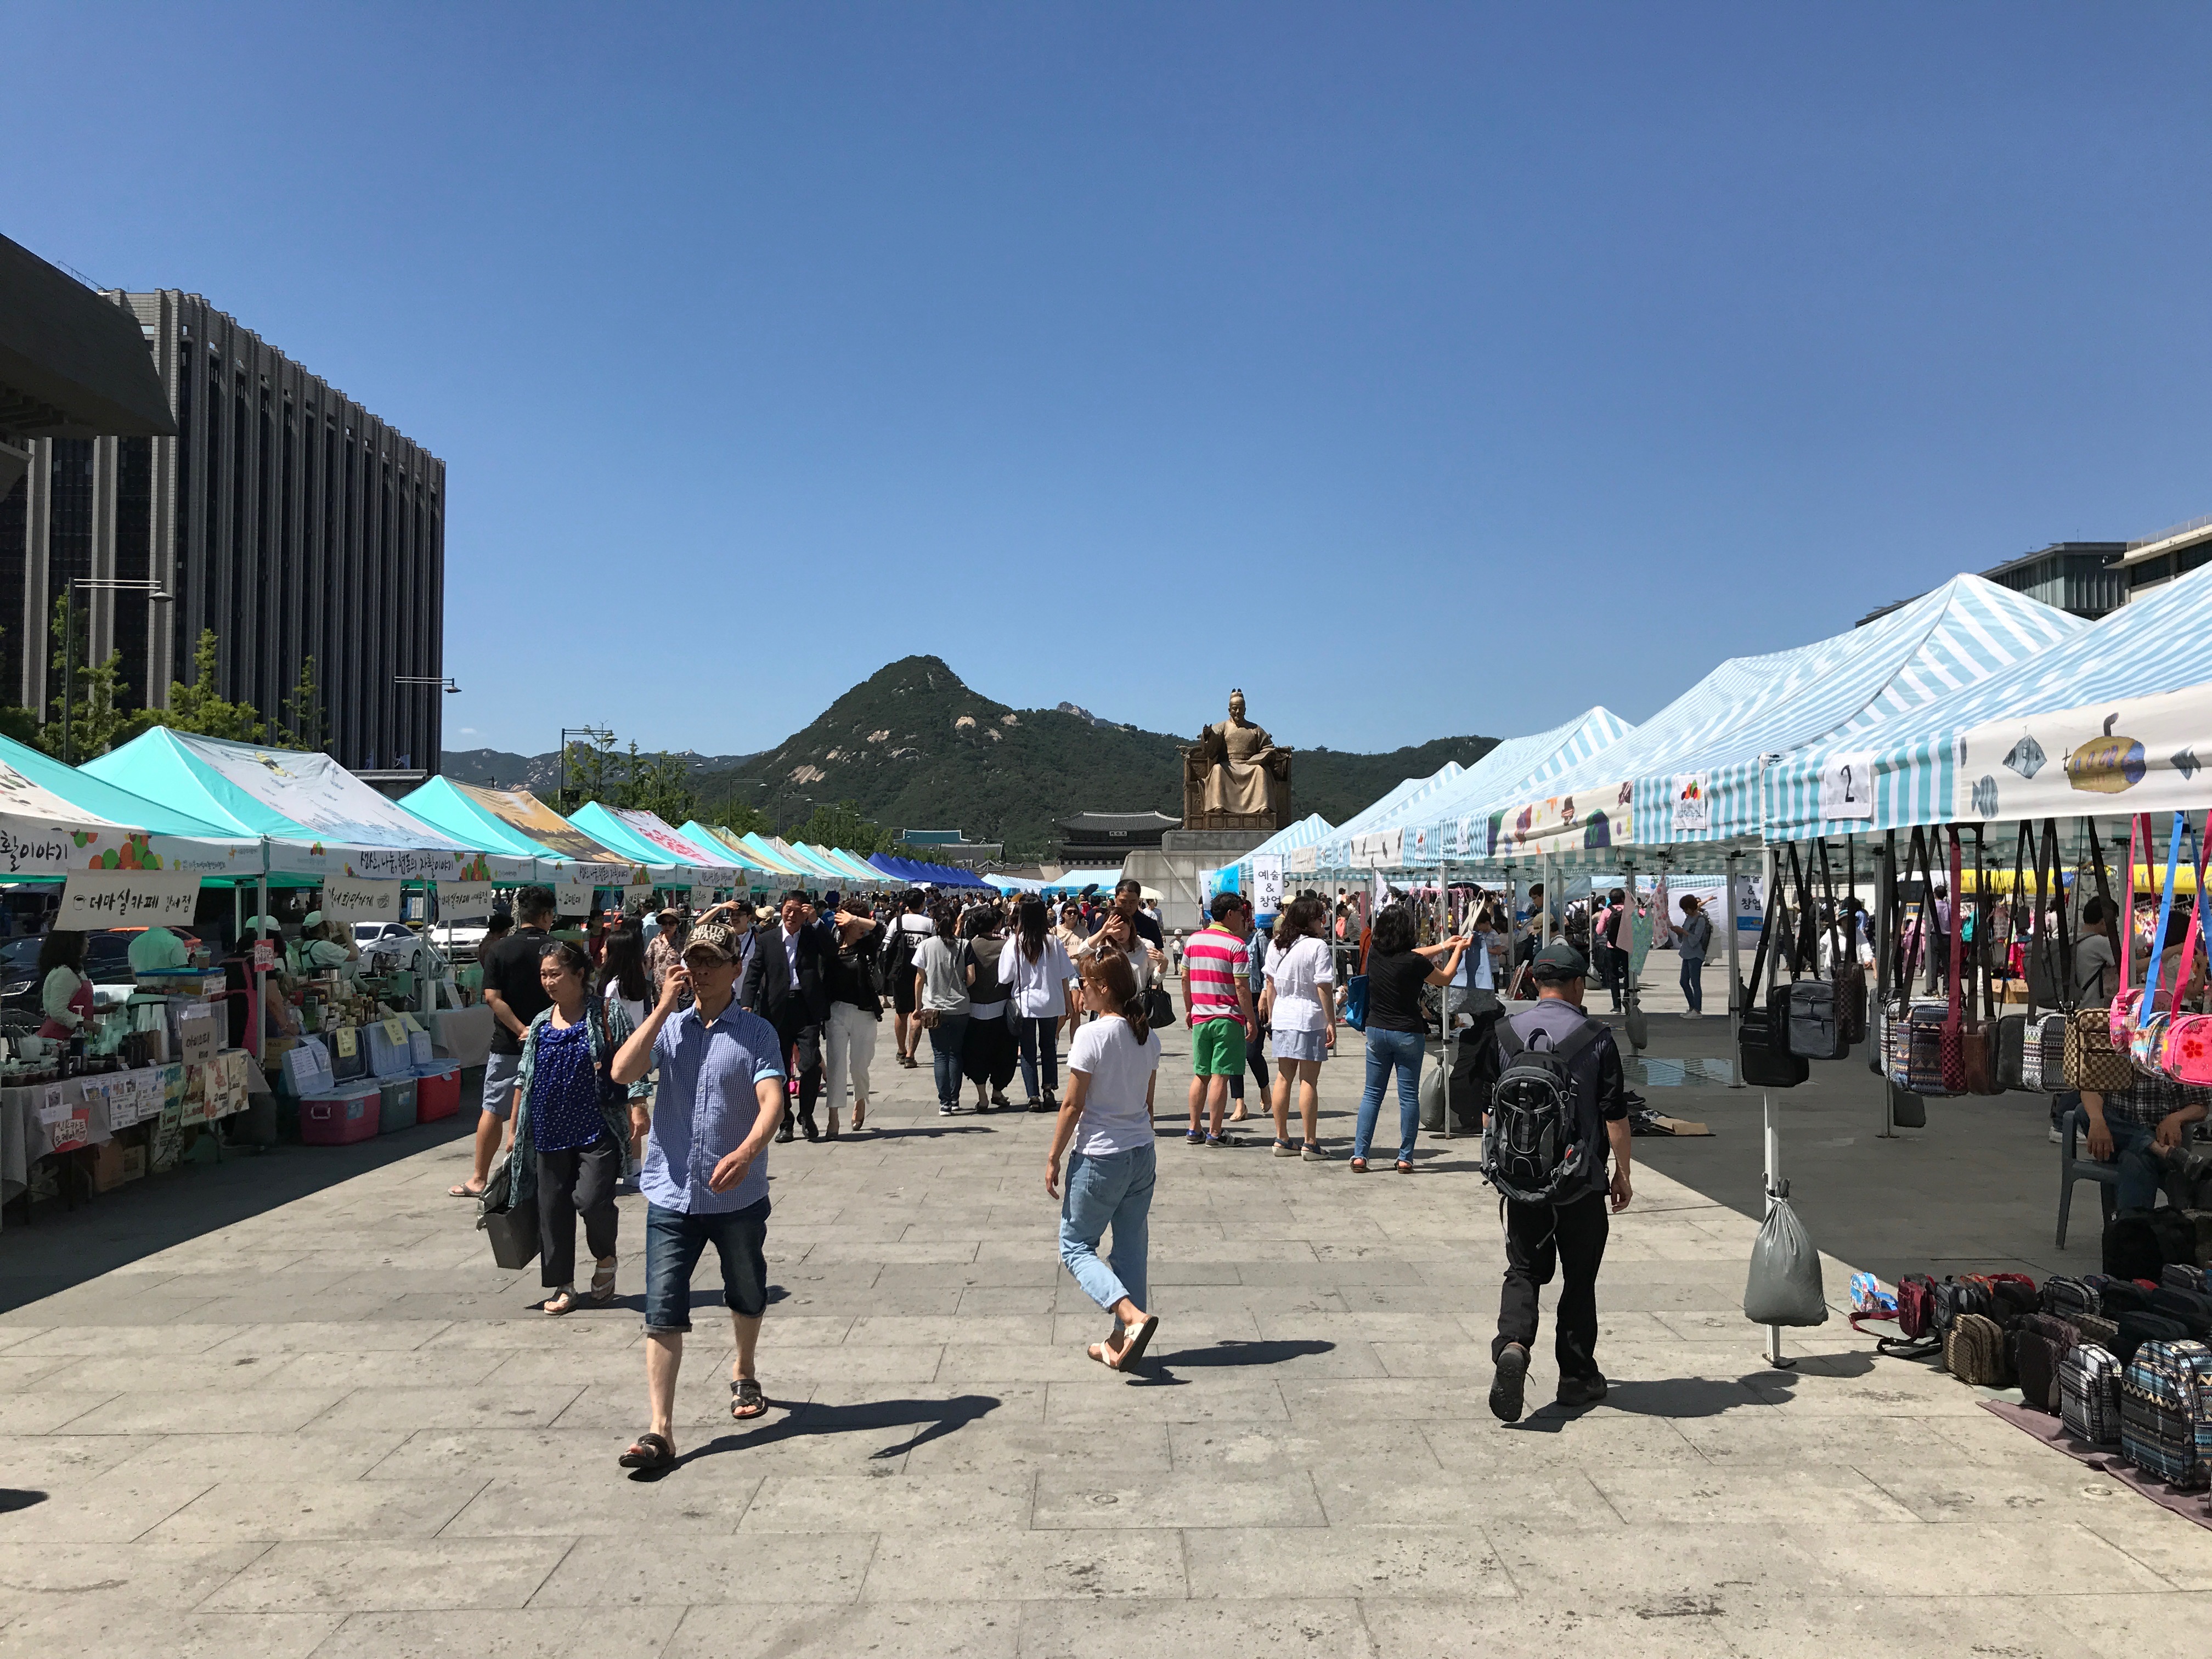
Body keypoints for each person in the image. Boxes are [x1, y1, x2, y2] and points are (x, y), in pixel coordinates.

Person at [611, 921, 787, 1471]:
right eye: (696, 960)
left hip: (737, 1195)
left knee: (747, 1289)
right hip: (671, 1192)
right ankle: (660, 1430)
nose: (704, 970)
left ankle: (744, 1369)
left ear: (736, 968)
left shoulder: (757, 1032)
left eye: (714, 961)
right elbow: (622, 1070)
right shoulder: (672, 1029)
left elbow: (773, 1099)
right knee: (663, 1307)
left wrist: (750, 1148)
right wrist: (663, 1006)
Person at [1485, 940, 1633, 1422]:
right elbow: (1614, 1115)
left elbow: (1491, 1111)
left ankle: (1512, 1343)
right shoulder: (1597, 1037)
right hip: (1580, 1181)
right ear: (1575, 985)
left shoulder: (1505, 1033)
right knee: (1579, 1279)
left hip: (1522, 1180)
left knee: (1524, 1270)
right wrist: (1622, 1173)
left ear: (1533, 982)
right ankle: (1576, 1377)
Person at [509, 939, 647, 1315]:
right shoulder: (539, 1023)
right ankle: (563, 1285)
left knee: (591, 1200)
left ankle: (605, 1258)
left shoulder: (606, 1012)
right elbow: (525, 1077)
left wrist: (638, 1104)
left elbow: (629, 1055)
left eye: (555, 974)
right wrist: (514, 1129)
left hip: (596, 1127)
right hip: (548, 1129)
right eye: (543, 975)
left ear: (579, 974)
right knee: (552, 1209)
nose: (548, 982)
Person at [1046, 949, 1163, 1373]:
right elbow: (1147, 1105)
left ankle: (1130, 1317)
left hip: (1100, 1155)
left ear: (1104, 989)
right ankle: (1120, 1340)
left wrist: (1054, 1156)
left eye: (1086, 985)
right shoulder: (1148, 1037)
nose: (1081, 991)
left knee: (1075, 1246)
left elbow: (1072, 1105)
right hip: (1141, 1152)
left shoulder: (1091, 1037)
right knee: (1132, 1248)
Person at [452, 886, 556, 1199]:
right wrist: (537, 1028)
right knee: (550, 1107)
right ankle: (550, 1177)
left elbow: (492, 998)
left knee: (492, 1109)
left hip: (508, 1042)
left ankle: (479, 1178)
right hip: (552, 1039)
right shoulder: (558, 949)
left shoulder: (499, 949)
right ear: (547, 915)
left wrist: (520, 1028)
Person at [1350, 905, 1468, 1174]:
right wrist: (1457, 951)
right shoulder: (1414, 963)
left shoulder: (1376, 953)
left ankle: (1360, 1155)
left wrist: (1442, 946)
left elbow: (1416, 955)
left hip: (1377, 1031)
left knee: (1371, 1095)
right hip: (1407, 1033)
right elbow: (1445, 978)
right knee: (1408, 1097)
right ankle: (1405, 1157)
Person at [740, 890, 834, 1143]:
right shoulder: (768, 939)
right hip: (777, 1009)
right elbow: (754, 973)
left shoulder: (812, 936)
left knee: (811, 1063)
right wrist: (747, 1004)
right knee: (778, 1067)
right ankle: (785, 1122)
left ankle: (807, 1115)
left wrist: (816, 921)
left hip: (807, 1008)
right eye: (787, 909)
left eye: (797, 911)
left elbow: (831, 951)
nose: (791, 915)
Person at [1181, 891, 1259, 1147]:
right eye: (1241, 913)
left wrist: (1189, 1008)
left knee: (1201, 1073)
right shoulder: (1237, 946)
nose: (1243, 919)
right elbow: (1241, 987)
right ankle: (1215, 1132)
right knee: (1220, 1076)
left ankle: (1194, 1129)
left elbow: (1184, 978)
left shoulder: (1193, 941)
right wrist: (1251, 1019)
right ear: (1230, 914)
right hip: (1227, 1018)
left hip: (1201, 1016)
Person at [1263, 895, 1335, 1160]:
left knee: (1284, 1077)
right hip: (1309, 1016)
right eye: (1319, 917)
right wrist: (1331, 1021)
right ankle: (1310, 1141)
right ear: (1310, 920)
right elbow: (1323, 986)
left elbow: (1270, 985)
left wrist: (1272, 1017)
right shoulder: (1317, 946)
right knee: (1309, 1080)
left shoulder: (1276, 944)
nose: (1322, 923)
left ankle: (1281, 1137)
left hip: (1283, 1015)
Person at [1001, 897, 1077, 1111]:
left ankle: (1033, 1095)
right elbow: (1065, 975)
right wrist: (1067, 1002)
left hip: (1025, 1005)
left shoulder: (1015, 942)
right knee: (1049, 1046)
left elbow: (1005, 977)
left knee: (1027, 1051)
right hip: (1051, 1002)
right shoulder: (1052, 942)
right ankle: (1049, 1089)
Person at [823, 897, 884, 1136]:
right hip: (836, 1011)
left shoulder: (868, 945)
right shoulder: (832, 944)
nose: (861, 928)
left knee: (859, 1065)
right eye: (855, 923)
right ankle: (833, 1116)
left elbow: (881, 929)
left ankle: (861, 1099)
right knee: (837, 1064)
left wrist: (858, 920)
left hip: (864, 1011)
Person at [601, 926, 653, 1186]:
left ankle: (624, 1165)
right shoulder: (640, 982)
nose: (601, 951)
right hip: (638, 1050)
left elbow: (609, 1021)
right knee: (636, 1106)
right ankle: (634, 1166)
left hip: (617, 1052)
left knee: (620, 1111)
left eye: (606, 949)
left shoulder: (613, 987)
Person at [914, 903, 974, 1115]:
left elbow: (920, 979)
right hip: (960, 1007)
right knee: (955, 1053)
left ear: (936, 923)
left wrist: (917, 1007)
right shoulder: (965, 944)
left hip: (933, 1008)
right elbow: (971, 977)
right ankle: (955, 1098)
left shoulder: (926, 946)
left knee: (940, 1055)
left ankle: (944, 1102)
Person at [961, 906, 1018, 1110]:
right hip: (1002, 1007)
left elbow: (969, 976)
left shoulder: (970, 946)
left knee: (977, 1054)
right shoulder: (1007, 945)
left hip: (975, 1008)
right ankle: (998, 1091)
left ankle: (982, 1096)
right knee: (1004, 1052)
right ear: (995, 924)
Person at [884, 890, 934, 1069]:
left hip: (900, 972)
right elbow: (934, 947)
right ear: (922, 904)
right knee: (917, 1010)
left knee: (901, 1012)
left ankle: (901, 1049)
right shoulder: (929, 924)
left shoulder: (897, 921)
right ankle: (911, 1055)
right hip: (921, 973)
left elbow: (886, 946)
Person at [36, 930, 92, 1041]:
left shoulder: (75, 971)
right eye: (84, 938)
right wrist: (89, 1025)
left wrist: (101, 1010)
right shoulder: (64, 974)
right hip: (58, 1039)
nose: (88, 941)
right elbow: (57, 1012)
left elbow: (73, 1005)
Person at [1092, 877, 1165, 951]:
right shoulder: (1103, 921)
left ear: (1139, 900)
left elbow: (1159, 953)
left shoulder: (1150, 925)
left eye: (1132, 902)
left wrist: (1163, 961)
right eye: (1123, 902)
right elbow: (1090, 948)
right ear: (1116, 898)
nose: (1128, 906)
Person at [1675, 894, 1713, 1019]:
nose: (1685, 912)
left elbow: (1696, 939)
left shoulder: (1700, 920)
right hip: (1686, 953)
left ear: (1692, 908)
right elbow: (1683, 938)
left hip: (1696, 954)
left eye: (1686, 909)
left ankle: (1697, 1010)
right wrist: (1679, 932)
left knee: (1695, 982)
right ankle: (1692, 1007)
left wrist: (1683, 932)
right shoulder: (1688, 919)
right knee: (1683, 981)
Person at [2075, 896, 2119, 1006]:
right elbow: (2132, 968)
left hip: (2075, 1004)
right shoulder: (2100, 942)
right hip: (2094, 1008)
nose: (2115, 926)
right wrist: (2161, 955)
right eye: (2114, 921)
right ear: (2104, 922)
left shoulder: (2074, 939)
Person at [646, 909, 688, 998]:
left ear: (677, 925)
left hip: (678, 991)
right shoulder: (655, 942)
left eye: (672, 923)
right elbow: (647, 965)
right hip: (658, 991)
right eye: (664, 923)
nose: (667, 926)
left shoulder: (684, 942)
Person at [126, 923, 190, 975]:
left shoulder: (134, 943)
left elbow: (133, 971)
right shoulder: (175, 942)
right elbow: (181, 970)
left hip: (142, 988)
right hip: (168, 988)